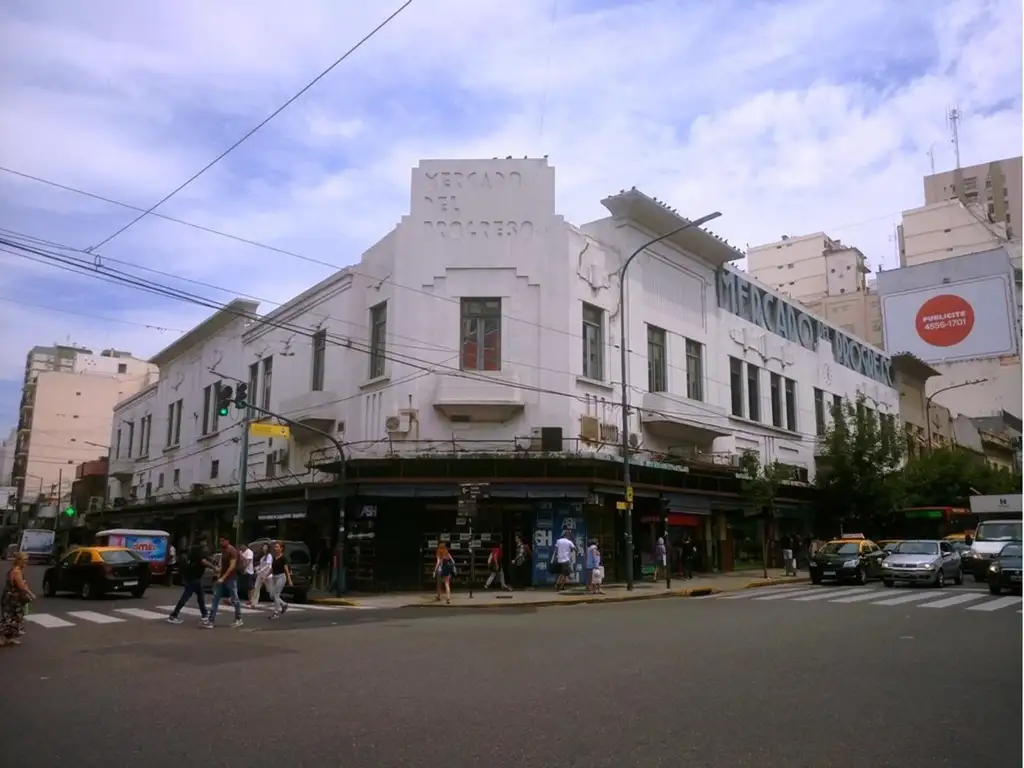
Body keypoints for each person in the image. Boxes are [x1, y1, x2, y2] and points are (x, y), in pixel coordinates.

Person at [166, 537, 211, 624]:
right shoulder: (199, 550)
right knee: (186, 597)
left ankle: (204, 614)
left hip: (193, 576)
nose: (206, 543)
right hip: (194, 577)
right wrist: (214, 567)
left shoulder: (192, 549)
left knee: (200, 596)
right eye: (205, 541)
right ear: (201, 542)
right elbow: (203, 561)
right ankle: (174, 615)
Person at [205, 536, 243, 629]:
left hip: (231, 578)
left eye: (223, 541)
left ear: (228, 541)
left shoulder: (232, 551)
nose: (221, 543)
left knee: (235, 599)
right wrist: (219, 573)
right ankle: (211, 620)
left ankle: (239, 618)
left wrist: (223, 577)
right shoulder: (224, 550)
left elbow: (232, 566)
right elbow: (222, 562)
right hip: (223, 577)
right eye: (220, 541)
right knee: (215, 597)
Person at [1, 552, 35, 646]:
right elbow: (21, 586)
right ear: (19, 561)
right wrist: (30, 594)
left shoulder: (15, 570)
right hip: (12, 598)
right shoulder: (17, 571)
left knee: (12, 617)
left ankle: (9, 638)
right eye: (24, 561)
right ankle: (3, 638)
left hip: (10, 597)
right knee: (12, 617)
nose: (26, 563)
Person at [268, 541, 293, 618]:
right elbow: (272, 568)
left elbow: (286, 570)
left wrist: (289, 580)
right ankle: (284, 604)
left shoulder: (283, 558)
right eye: (275, 547)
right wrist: (266, 575)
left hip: (281, 577)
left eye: (277, 547)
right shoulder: (274, 557)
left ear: (281, 548)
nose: (276, 548)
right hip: (274, 577)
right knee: (272, 595)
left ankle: (276, 613)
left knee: (276, 595)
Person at [250, 543, 273, 608]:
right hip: (260, 575)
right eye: (263, 547)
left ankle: (279, 602)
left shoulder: (269, 556)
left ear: (268, 548)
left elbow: (268, 565)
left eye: (265, 547)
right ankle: (253, 603)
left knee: (270, 591)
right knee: (256, 588)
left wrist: (260, 570)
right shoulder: (262, 557)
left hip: (267, 576)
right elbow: (261, 565)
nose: (264, 548)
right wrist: (257, 568)